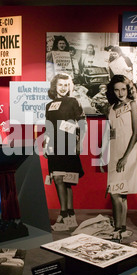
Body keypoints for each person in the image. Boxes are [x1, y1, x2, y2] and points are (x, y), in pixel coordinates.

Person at [43, 73, 87, 231]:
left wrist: (79, 143)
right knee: (58, 178)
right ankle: (69, 216)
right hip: (54, 145)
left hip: (68, 144)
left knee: (65, 180)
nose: (63, 88)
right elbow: (48, 128)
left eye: (66, 85)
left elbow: (82, 124)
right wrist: (46, 144)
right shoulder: (49, 105)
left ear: (70, 86)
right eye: (60, 85)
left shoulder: (74, 101)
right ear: (55, 86)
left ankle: (65, 214)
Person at [103, 75, 137, 241]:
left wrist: (125, 157)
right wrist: (106, 155)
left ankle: (118, 228)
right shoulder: (111, 108)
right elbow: (110, 133)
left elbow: (136, 132)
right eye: (117, 89)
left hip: (129, 151)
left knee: (115, 192)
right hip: (114, 151)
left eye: (123, 89)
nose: (120, 93)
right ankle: (122, 228)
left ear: (128, 89)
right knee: (119, 193)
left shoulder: (133, 105)